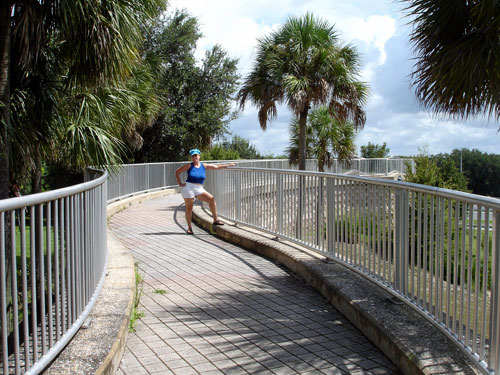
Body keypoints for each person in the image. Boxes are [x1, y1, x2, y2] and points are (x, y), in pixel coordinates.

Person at [175, 149, 236, 234]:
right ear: (192, 157)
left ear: (199, 156)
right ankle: (189, 228)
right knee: (189, 208)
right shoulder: (189, 165)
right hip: (189, 187)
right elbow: (177, 172)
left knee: (211, 199)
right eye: (193, 156)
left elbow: (216, 167)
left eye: (196, 155)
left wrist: (227, 165)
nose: (195, 157)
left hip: (199, 188)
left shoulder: (204, 166)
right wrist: (180, 183)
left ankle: (215, 220)